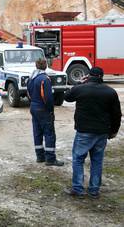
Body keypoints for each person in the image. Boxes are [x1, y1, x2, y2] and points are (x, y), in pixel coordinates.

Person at [64, 67, 121, 198]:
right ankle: (94, 190)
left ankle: (78, 189)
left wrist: (79, 83)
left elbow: (67, 97)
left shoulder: (81, 89)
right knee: (97, 161)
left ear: (88, 76)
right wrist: (113, 131)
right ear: (102, 76)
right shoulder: (110, 92)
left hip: (84, 131)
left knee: (78, 159)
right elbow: (116, 114)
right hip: (102, 132)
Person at [26, 59, 64, 166]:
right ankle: (50, 159)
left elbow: (28, 93)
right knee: (49, 133)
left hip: (33, 107)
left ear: (36, 65)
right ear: (46, 66)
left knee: (37, 132)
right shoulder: (45, 79)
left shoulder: (31, 78)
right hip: (43, 108)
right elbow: (48, 98)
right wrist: (50, 110)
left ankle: (40, 156)